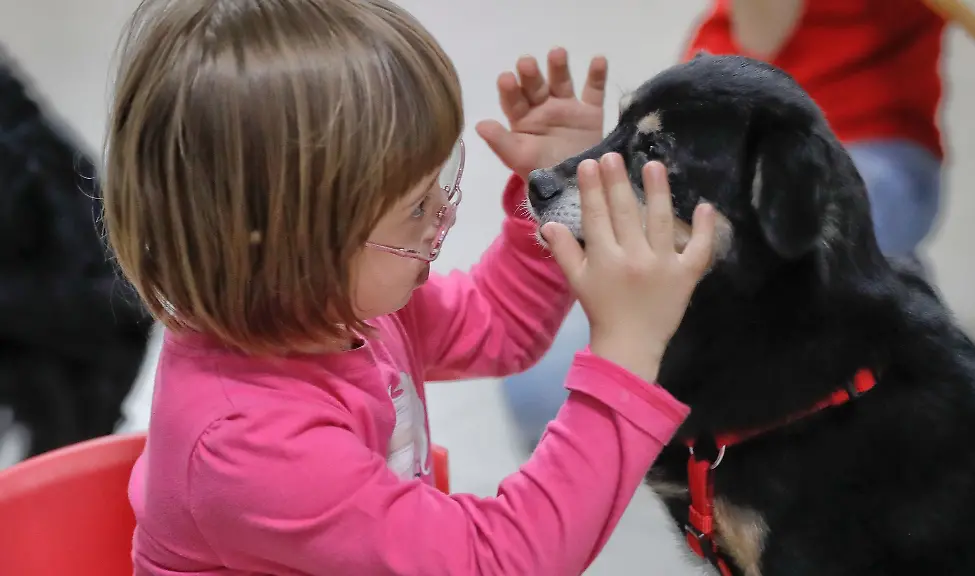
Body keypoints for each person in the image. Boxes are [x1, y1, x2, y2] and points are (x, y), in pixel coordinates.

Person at [101, 0, 719, 574]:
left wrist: (553, 193)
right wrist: (626, 356)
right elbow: (500, 561)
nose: (444, 217)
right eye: (414, 211)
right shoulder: (247, 443)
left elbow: (498, 323)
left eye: (440, 183)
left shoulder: (335, 304)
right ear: (294, 246)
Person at [501, 0, 948, 450]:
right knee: (536, 392)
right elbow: (752, 44)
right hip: (708, 116)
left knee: (835, 298)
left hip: (871, 139)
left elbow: (763, 36)